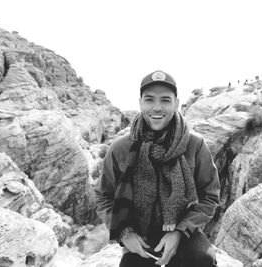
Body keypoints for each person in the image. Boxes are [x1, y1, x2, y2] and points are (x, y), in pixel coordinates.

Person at [94, 70, 220, 267]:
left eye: (165, 100)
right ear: (140, 103)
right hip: (139, 236)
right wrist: (126, 235)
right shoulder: (121, 148)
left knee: (203, 260)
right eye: (150, 100)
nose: (157, 108)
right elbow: (103, 196)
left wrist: (179, 232)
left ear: (176, 103)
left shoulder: (195, 145)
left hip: (183, 231)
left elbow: (210, 196)